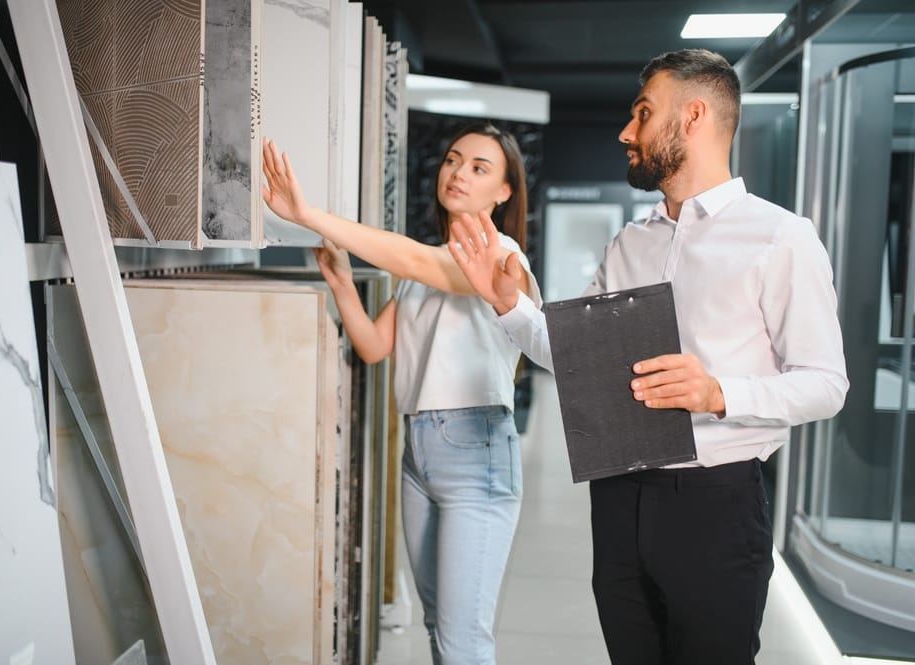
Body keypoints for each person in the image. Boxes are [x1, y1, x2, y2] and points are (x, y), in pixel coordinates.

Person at [447, 49, 849, 665]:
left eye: (642, 113)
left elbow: (825, 384)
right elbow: (576, 355)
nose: (625, 132)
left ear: (693, 117)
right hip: (619, 498)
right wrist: (509, 306)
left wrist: (719, 392)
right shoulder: (630, 243)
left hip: (716, 505)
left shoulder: (780, 237)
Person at [261, 122, 542, 665]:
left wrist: (308, 214)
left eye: (480, 168)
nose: (458, 173)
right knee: (438, 627)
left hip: (476, 454)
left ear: (504, 192)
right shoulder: (428, 268)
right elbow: (372, 345)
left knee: (463, 641)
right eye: (453, 160)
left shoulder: (504, 258)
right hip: (419, 455)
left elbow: (414, 260)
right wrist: (343, 284)